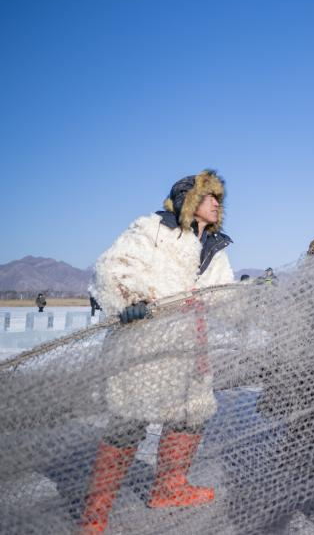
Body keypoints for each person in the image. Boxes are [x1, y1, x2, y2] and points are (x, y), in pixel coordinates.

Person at [79, 169, 234, 533]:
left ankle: (169, 487)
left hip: (190, 351)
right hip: (143, 345)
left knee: (191, 415)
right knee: (127, 424)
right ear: (189, 200)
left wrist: (253, 294)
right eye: (210, 196)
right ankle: (94, 516)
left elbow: (224, 297)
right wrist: (129, 299)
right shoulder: (152, 229)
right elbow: (114, 266)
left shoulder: (216, 247)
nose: (217, 203)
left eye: (219, 199)